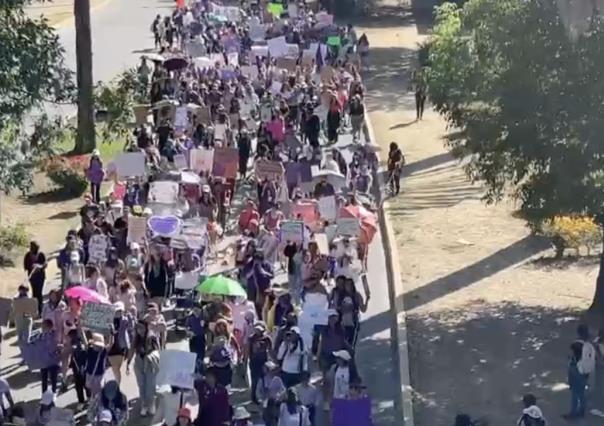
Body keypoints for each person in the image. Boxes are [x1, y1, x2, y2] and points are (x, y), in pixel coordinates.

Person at [128, 320, 161, 416]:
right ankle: (144, 404)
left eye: (141, 327)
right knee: (141, 384)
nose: (139, 330)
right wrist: (128, 363)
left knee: (150, 385)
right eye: (137, 327)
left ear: (146, 327)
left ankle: (151, 404)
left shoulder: (151, 337)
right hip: (139, 362)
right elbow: (132, 350)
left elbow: (158, 350)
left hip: (150, 363)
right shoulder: (136, 338)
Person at [108, 302, 132, 384]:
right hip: (111, 346)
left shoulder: (125, 319)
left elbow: (130, 328)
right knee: (115, 368)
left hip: (121, 346)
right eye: (116, 311)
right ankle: (117, 384)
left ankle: (117, 386)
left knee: (116, 367)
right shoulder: (109, 320)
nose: (118, 313)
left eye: (120, 311)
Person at [565, 341, 587, 419]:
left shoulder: (574, 362)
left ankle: (573, 413)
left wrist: (571, 382)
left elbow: (572, 372)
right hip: (581, 381)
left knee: (575, 398)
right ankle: (582, 410)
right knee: (581, 396)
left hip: (576, 381)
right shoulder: (582, 360)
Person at [23, 241, 47, 315]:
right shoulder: (28, 255)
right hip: (32, 277)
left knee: (39, 293)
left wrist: (39, 266)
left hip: (40, 276)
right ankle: (34, 309)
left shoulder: (41, 254)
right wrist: (32, 266)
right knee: (34, 292)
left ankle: (40, 310)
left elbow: (45, 264)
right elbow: (25, 266)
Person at [86, 333, 109, 397]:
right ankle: (95, 401)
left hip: (99, 375)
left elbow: (110, 344)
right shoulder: (89, 350)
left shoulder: (103, 351)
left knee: (99, 391)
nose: (97, 346)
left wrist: (112, 335)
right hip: (91, 374)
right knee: (94, 391)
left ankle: (97, 402)